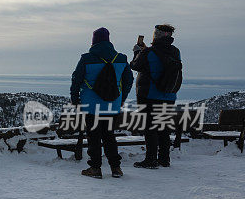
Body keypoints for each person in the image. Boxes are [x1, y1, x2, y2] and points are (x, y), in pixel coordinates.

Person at [70, 27, 134, 179]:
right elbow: (128, 81)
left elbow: (76, 80)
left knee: (94, 137)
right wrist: (122, 98)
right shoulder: (121, 59)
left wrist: (75, 100)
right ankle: (116, 168)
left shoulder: (86, 59)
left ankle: (95, 168)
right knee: (109, 136)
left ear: (94, 41)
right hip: (113, 105)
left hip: (91, 105)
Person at [130, 24, 181, 168]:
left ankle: (150, 159)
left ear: (156, 35)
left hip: (149, 95)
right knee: (163, 127)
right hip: (169, 95)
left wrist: (137, 51)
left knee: (150, 128)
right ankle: (164, 159)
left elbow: (135, 65)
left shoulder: (148, 52)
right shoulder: (176, 52)